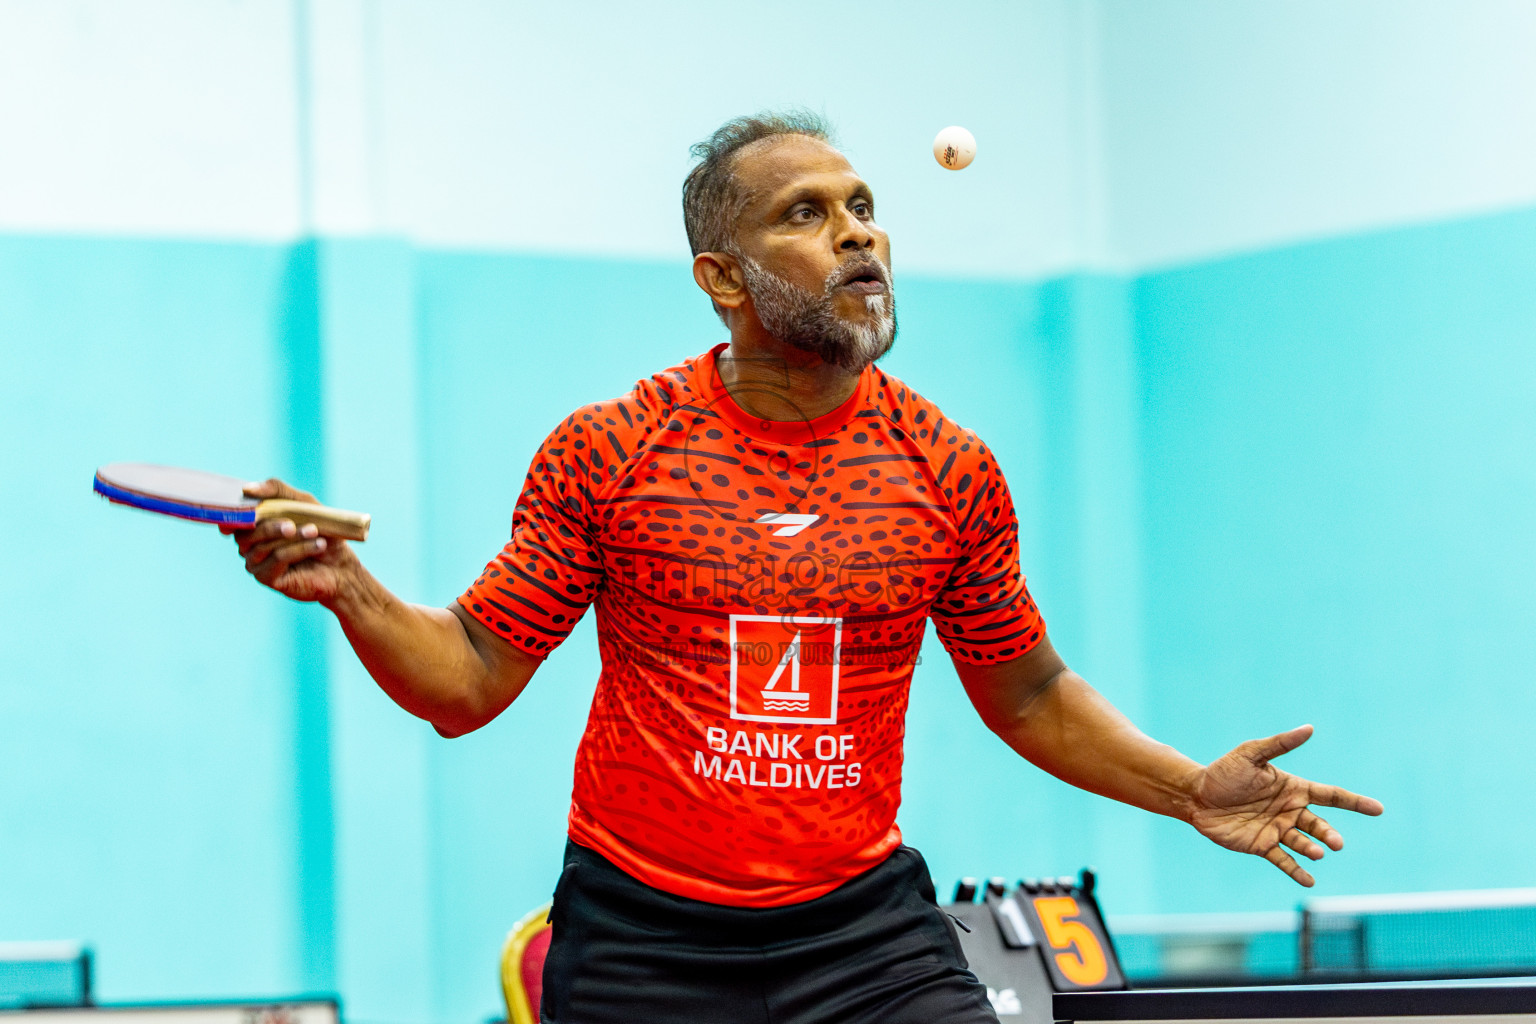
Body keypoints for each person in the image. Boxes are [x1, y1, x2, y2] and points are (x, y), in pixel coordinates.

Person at [227, 111, 1383, 1024]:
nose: (859, 233)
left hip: (863, 936)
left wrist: (1188, 789)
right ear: (725, 281)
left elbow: (1026, 693)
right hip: (643, 936)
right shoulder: (616, 448)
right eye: (808, 212)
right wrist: (354, 590)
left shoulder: (947, 468)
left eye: (865, 207)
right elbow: (468, 679)